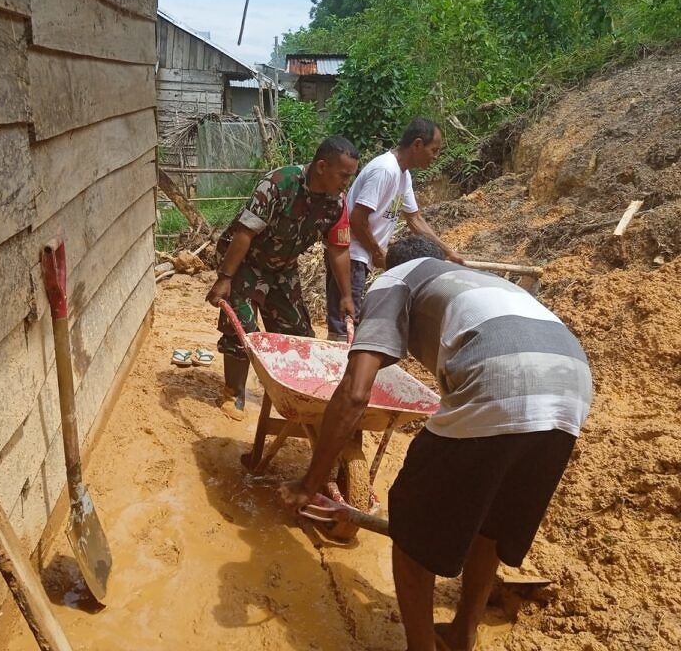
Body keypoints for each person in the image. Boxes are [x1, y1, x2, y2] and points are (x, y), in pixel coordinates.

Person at [282, 235, 592, 651]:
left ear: (388, 266)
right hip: (571, 389)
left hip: (499, 382)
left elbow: (356, 392)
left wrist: (308, 483)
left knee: (410, 528)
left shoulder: (394, 280)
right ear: (444, 259)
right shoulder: (479, 281)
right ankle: (463, 635)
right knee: (491, 526)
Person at [205, 136, 359, 420]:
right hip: (245, 261)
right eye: (344, 175)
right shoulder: (278, 184)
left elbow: (338, 249)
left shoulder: (335, 203)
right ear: (322, 166)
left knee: (298, 335)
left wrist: (347, 296)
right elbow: (244, 233)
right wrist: (225, 278)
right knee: (243, 328)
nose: (347, 182)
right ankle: (233, 393)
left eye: (351, 176)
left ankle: (289, 393)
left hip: (282, 267)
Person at [326, 117, 462, 341]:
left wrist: (448, 252)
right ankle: (338, 370)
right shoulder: (385, 170)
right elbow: (357, 218)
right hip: (352, 257)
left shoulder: (403, 175)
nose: (436, 156)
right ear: (417, 144)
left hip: (362, 258)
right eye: (434, 149)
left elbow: (415, 219)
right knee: (345, 325)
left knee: (349, 323)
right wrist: (378, 253)